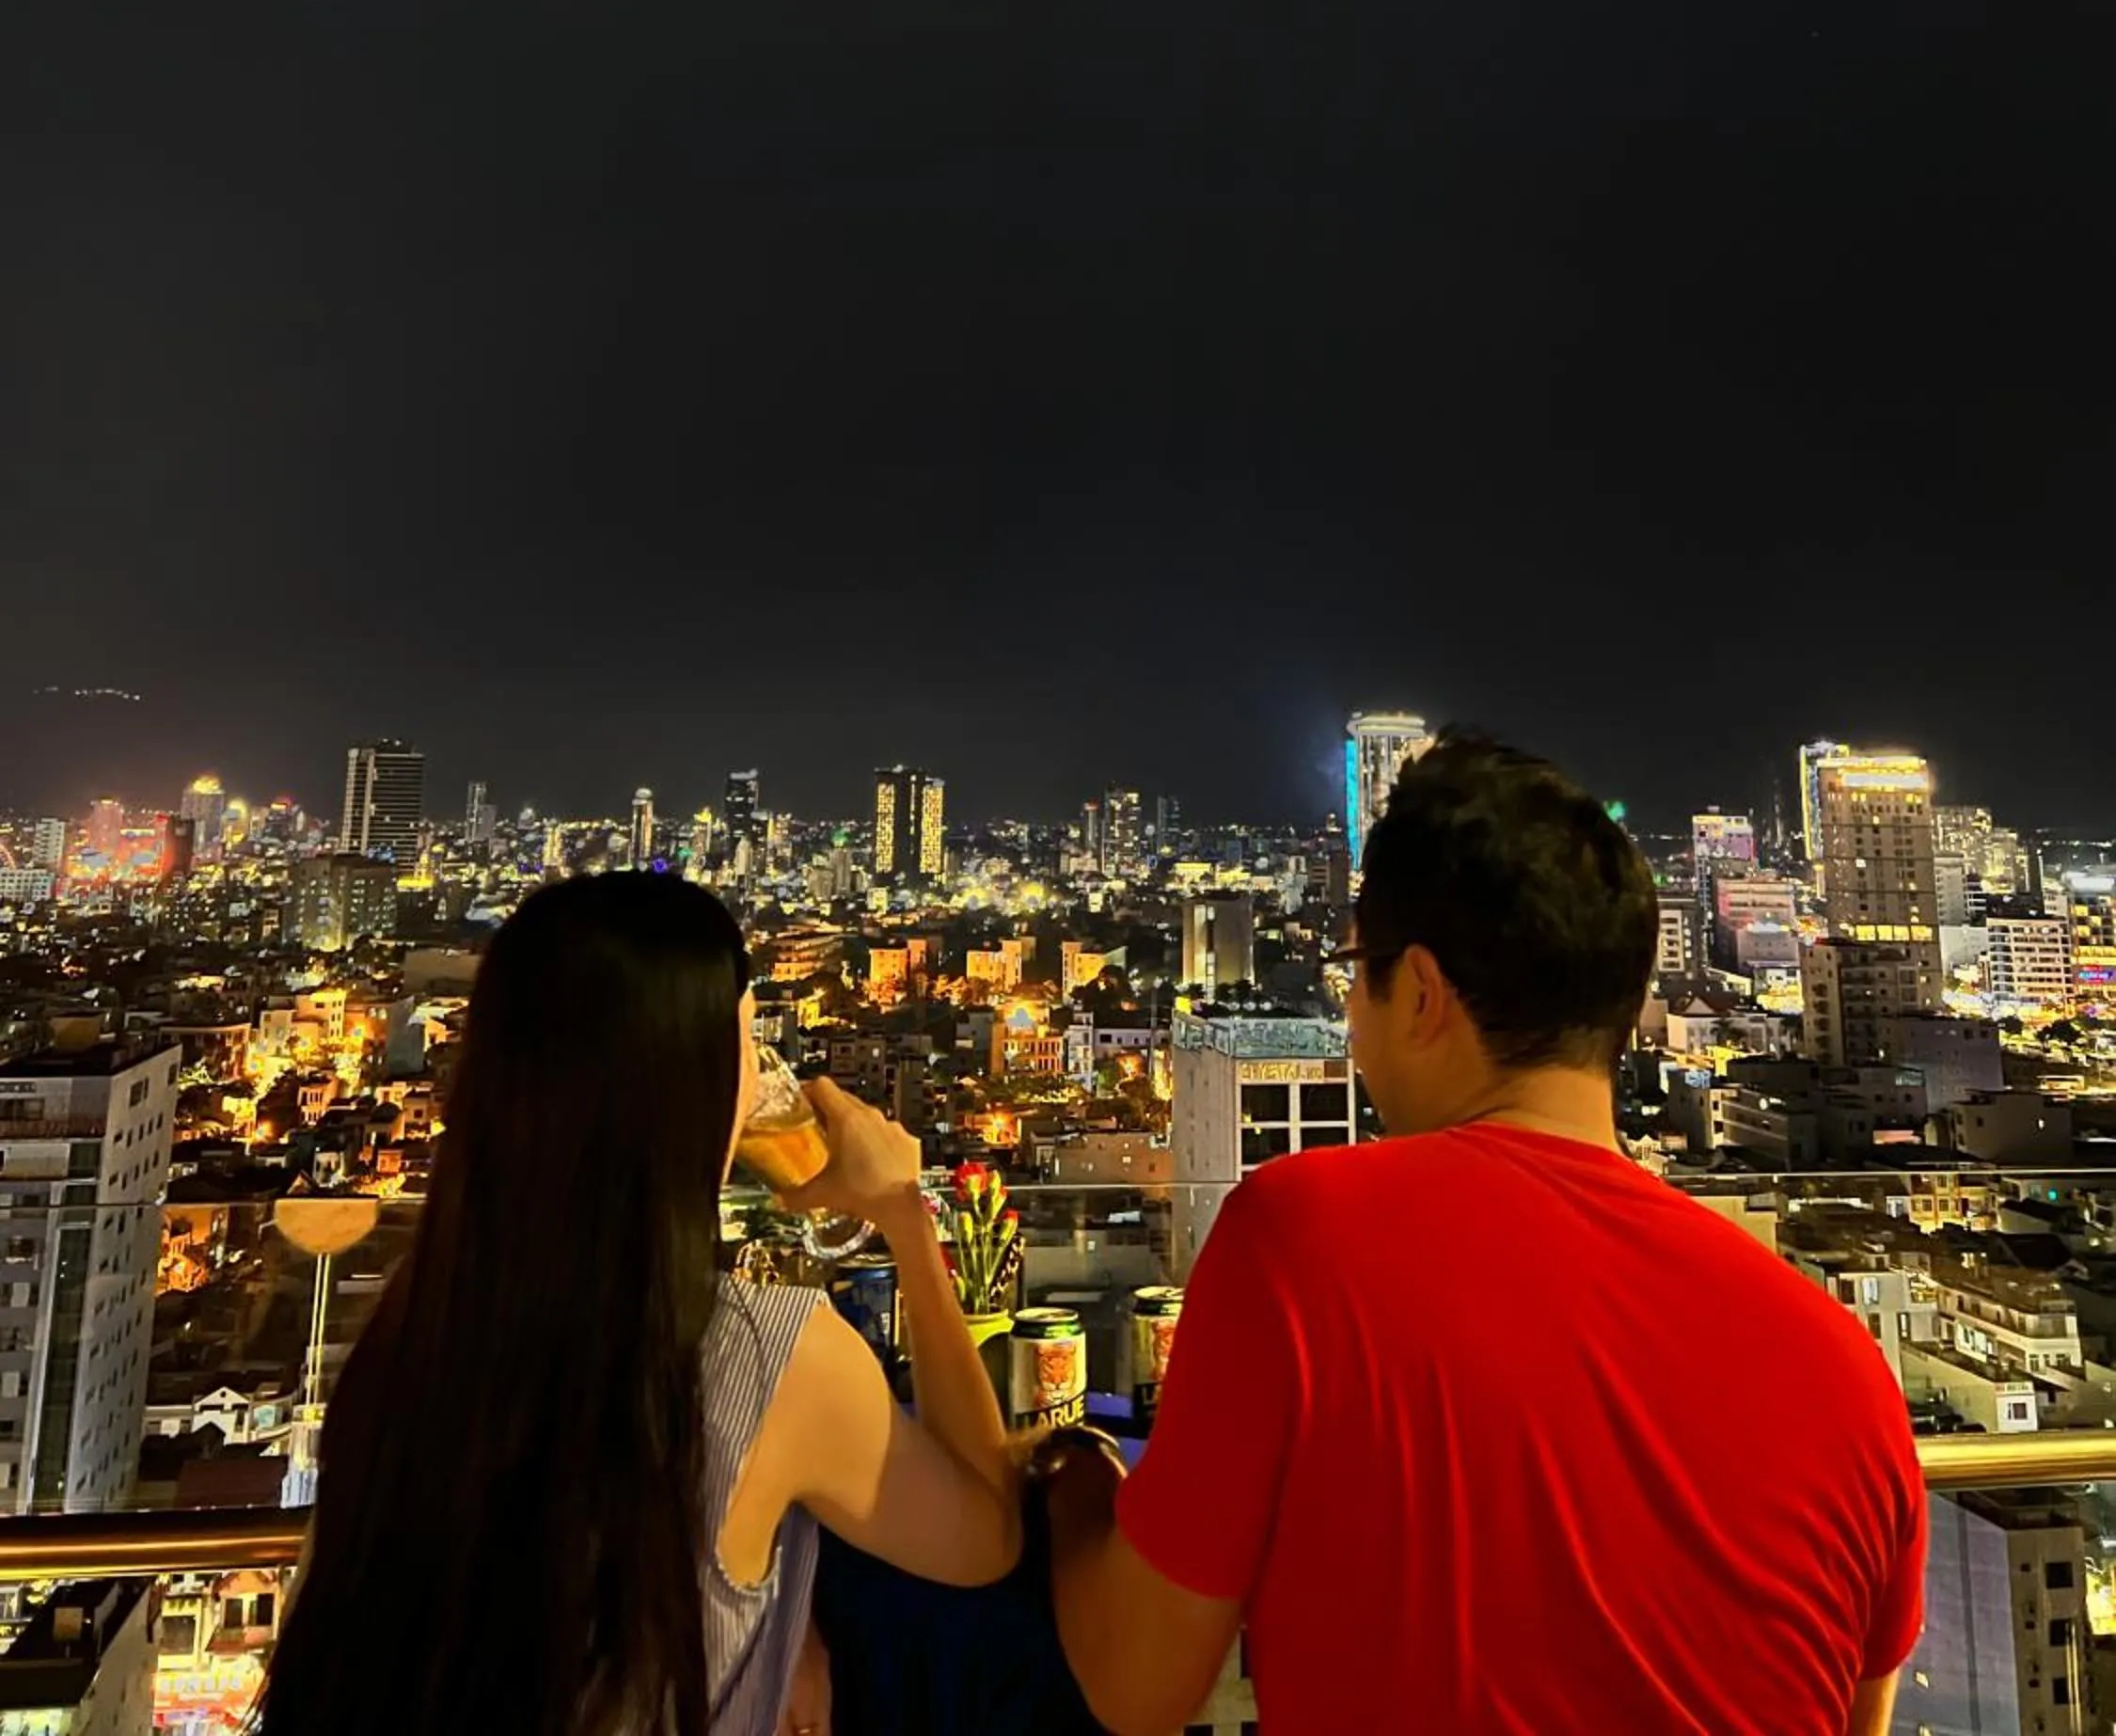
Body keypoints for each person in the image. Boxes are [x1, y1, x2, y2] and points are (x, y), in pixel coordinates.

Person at [1048, 730, 1928, 1736]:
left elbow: (1134, 1689)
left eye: (1353, 974)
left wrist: (1073, 1485)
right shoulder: (1848, 1373)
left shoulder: (1303, 1243)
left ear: (1419, 994)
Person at [261, 874, 1019, 1736]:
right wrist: (904, 1219)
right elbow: (987, 1536)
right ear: (697, 1079)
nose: (764, 1075)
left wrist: (786, 1618)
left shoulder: (416, 1329)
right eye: (748, 1041)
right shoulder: (777, 1354)